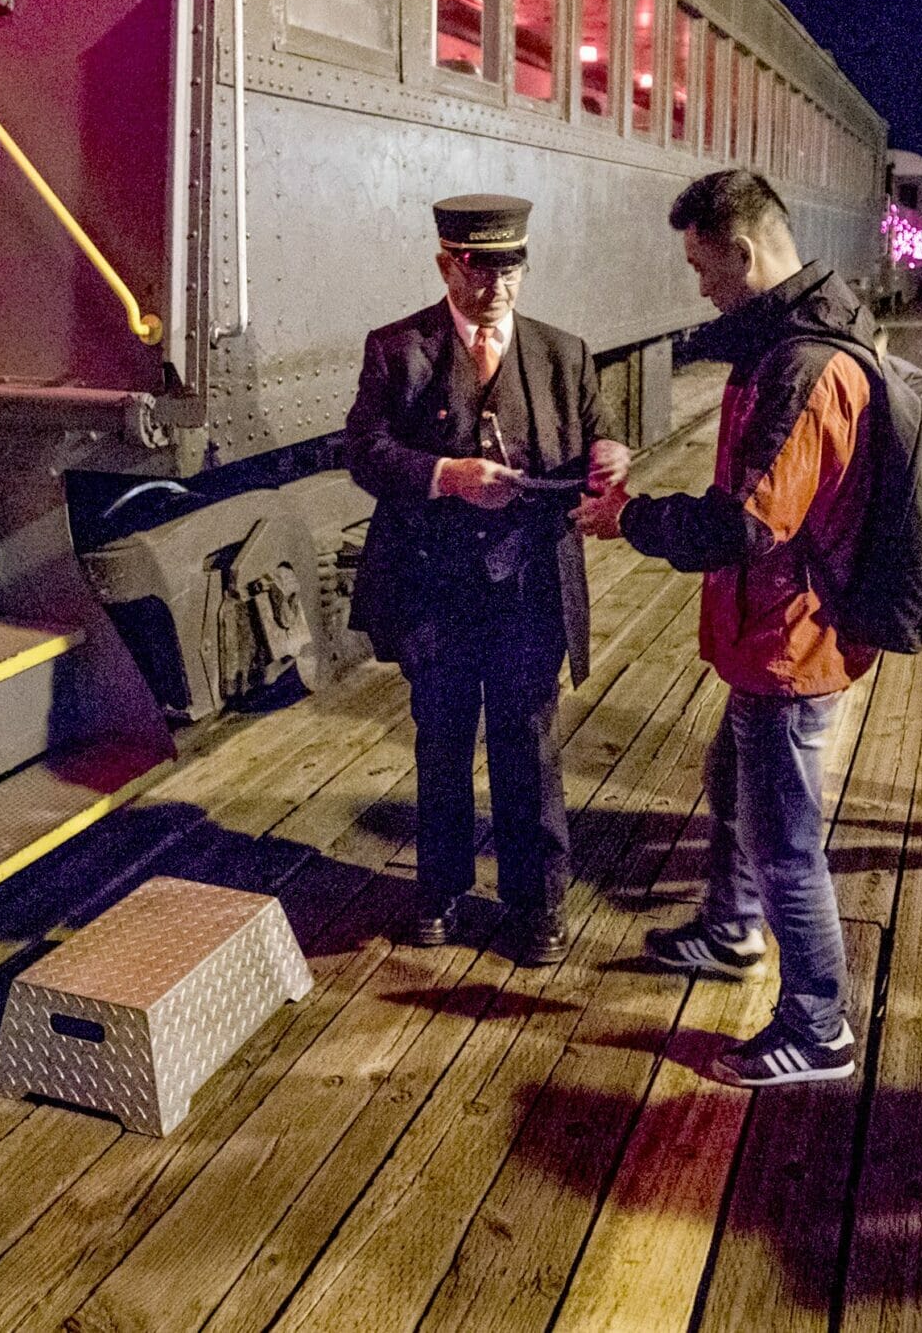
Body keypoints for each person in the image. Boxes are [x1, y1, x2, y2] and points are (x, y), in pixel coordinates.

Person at [575, 170, 873, 1087]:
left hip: (792, 641)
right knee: (731, 783)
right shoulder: (796, 339)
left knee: (786, 842)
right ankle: (731, 931)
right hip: (771, 635)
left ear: (744, 253)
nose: (700, 287)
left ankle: (819, 1023)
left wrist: (627, 518)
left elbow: (746, 523)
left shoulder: (802, 365)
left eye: (704, 269)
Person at [346, 195, 629, 966]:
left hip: (529, 586)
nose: (496, 286)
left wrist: (610, 456)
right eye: (478, 269)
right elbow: (364, 453)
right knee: (440, 743)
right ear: (446, 265)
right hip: (435, 588)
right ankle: (439, 890)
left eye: (511, 267)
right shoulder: (396, 349)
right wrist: (447, 474)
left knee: (528, 743)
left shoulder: (563, 352)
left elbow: (597, 431)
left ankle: (536, 903)